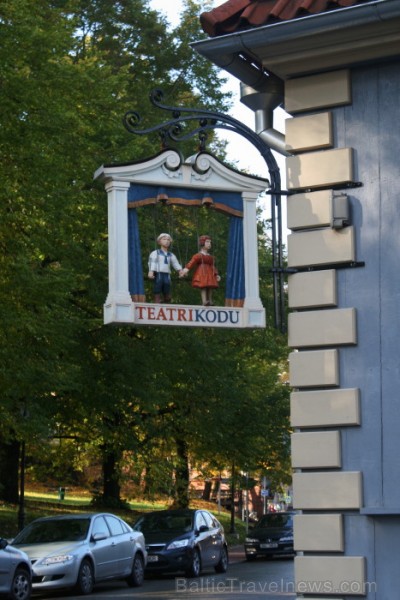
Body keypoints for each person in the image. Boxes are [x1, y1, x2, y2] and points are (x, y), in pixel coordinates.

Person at [182, 235, 221, 306]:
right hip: (201, 272)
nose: (209, 244)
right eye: (207, 242)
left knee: (210, 286)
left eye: (210, 242)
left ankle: (210, 300)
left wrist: (216, 274)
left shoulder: (210, 256)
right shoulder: (198, 255)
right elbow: (192, 262)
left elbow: (213, 266)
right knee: (203, 286)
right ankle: (204, 301)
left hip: (209, 272)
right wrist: (186, 269)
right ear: (202, 243)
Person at [148, 233, 184, 303]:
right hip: (158, 273)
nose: (166, 241)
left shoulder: (171, 255)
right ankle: (157, 299)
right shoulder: (156, 253)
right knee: (158, 285)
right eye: (164, 239)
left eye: (168, 240)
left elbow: (175, 263)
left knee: (167, 285)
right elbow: (153, 262)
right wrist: (151, 271)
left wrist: (180, 271)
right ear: (159, 241)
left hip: (167, 274)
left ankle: (166, 298)